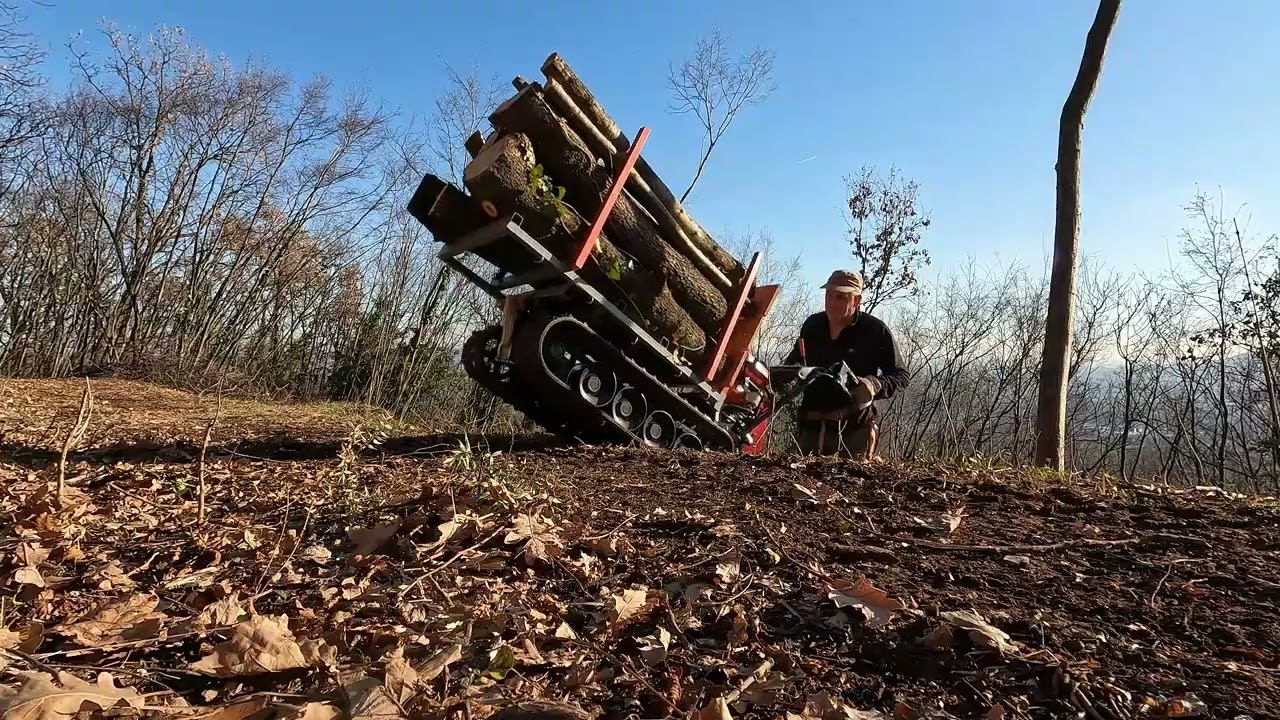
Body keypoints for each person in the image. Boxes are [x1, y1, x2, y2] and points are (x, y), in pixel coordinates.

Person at [781, 269, 910, 458]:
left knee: (849, 485)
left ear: (856, 300)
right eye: (829, 295)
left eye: (841, 298)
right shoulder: (813, 326)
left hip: (854, 432)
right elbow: (794, 363)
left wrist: (874, 384)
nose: (832, 303)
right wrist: (781, 379)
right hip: (810, 428)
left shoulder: (874, 331)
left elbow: (901, 376)